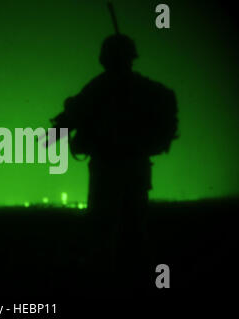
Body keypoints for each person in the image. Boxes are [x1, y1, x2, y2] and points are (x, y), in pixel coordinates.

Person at [51, 34, 178, 294]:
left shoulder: (100, 87)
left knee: (102, 228)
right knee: (135, 228)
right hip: (138, 168)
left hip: (107, 168)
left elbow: (73, 115)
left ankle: (103, 286)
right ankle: (136, 281)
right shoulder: (148, 89)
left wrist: (49, 138)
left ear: (106, 58)